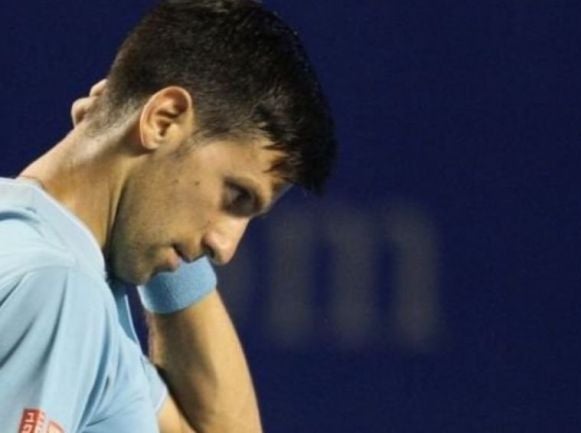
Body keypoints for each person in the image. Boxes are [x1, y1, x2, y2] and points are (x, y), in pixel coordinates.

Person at [0, 0, 336, 432]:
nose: (225, 248)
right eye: (235, 196)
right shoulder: (60, 287)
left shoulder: (61, 273)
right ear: (163, 119)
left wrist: (127, 153)